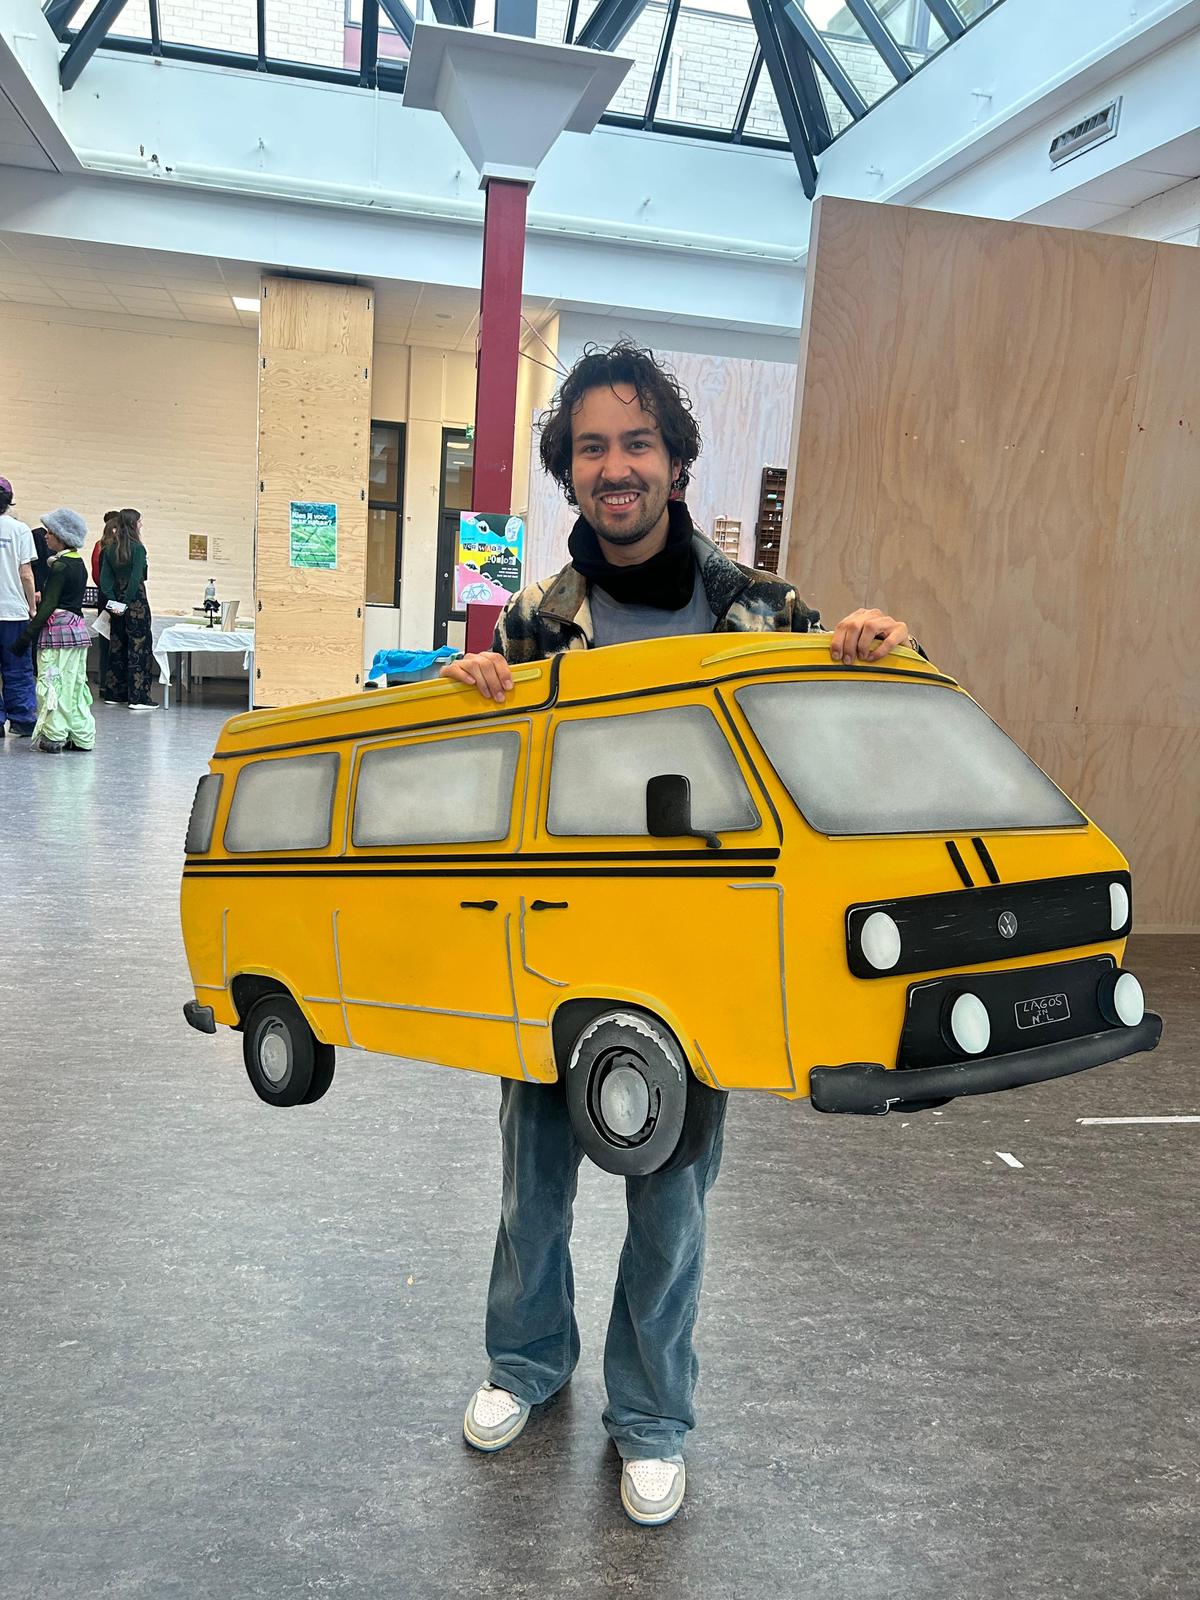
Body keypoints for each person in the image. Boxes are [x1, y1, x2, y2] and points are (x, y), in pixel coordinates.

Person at [440, 341, 920, 1527]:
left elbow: (841, 738)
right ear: (569, 470)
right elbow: (491, 782)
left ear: (674, 460)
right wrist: (472, 691)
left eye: (637, 443)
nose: (617, 467)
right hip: (553, 940)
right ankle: (525, 1363)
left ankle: (651, 1417)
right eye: (594, 446)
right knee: (532, 1176)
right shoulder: (543, 623)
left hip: (692, 963)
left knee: (673, 1198)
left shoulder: (761, 610)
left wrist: (875, 650)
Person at [13, 508, 96, 754]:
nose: (45, 537)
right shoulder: (78, 563)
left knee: (52, 682)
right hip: (77, 632)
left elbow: (48, 606)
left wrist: (26, 636)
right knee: (75, 684)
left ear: (62, 536)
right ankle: (81, 735)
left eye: (50, 533)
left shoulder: (60, 567)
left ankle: (54, 735)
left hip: (57, 635)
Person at [99, 507, 157, 710]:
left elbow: (105, 581)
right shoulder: (138, 549)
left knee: (117, 646)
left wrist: (115, 601)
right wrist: (127, 600)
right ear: (133, 524)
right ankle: (138, 697)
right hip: (136, 603)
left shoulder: (107, 549)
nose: (141, 525)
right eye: (140, 521)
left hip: (115, 603)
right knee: (139, 648)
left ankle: (115, 693)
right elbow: (136, 579)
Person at [0, 474, 38, 738]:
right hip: (13, 612)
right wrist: (31, 607)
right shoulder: (20, 529)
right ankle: (23, 721)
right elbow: (26, 574)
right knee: (17, 668)